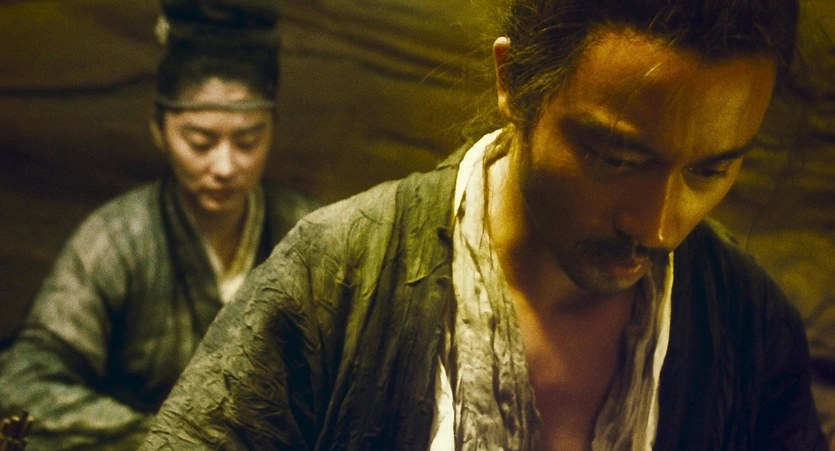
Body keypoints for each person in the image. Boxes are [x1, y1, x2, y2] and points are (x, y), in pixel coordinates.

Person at [143, 0, 827, 449]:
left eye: (709, 171)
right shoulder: (338, 277)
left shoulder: (747, 323)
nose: (656, 225)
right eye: (615, 157)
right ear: (514, 80)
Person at [0, 18, 317, 450]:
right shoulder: (118, 239)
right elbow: (21, 383)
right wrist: (170, 440)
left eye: (247, 141)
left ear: (272, 130)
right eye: (200, 142)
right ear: (160, 131)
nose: (225, 166)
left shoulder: (308, 233)